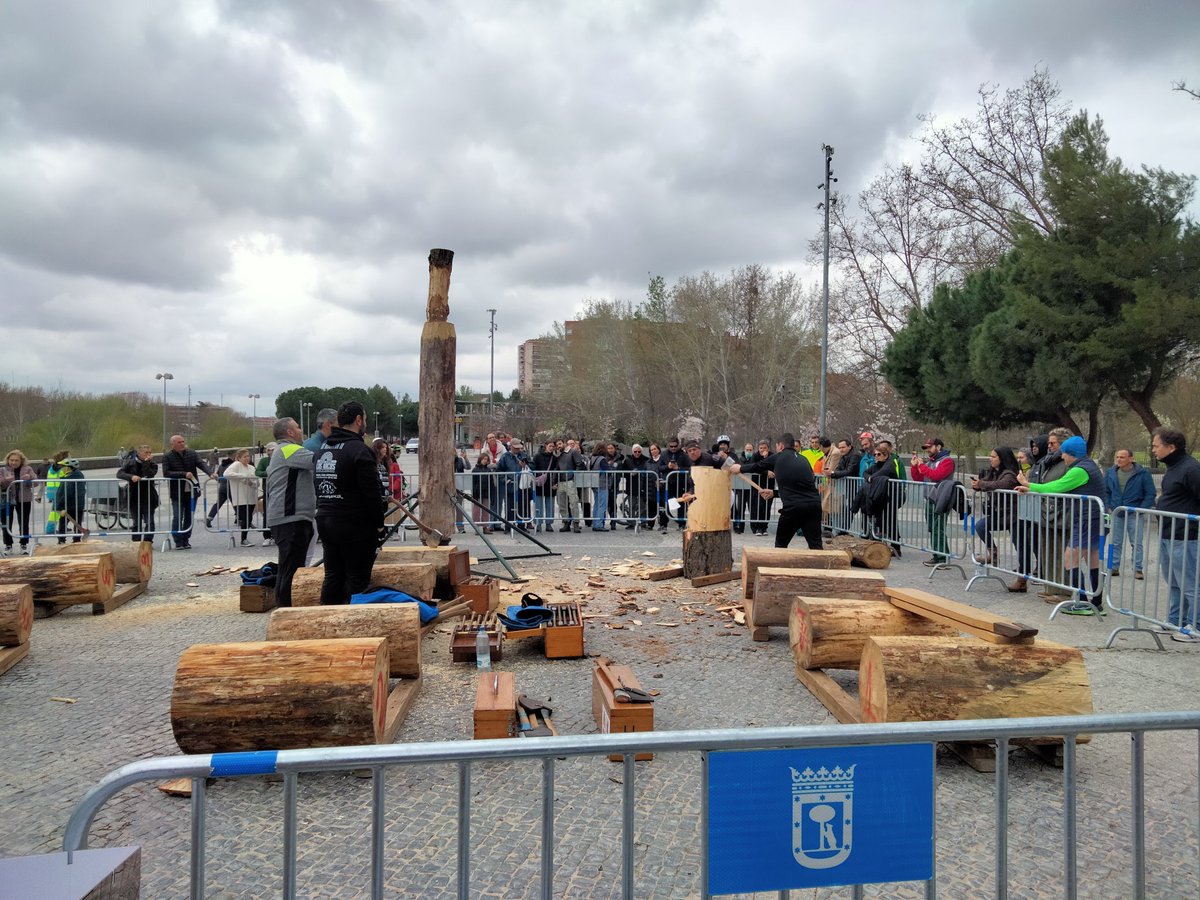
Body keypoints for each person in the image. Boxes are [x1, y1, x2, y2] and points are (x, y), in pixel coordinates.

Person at [1018, 435, 1106, 615]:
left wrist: (1029, 485)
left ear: (1071, 453)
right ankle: (1096, 603)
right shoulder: (1088, 465)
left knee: (1070, 559)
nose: (1063, 457)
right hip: (1093, 518)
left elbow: (1056, 487)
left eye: (1064, 453)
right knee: (1092, 560)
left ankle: (1082, 603)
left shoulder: (1079, 470)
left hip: (1086, 519)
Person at [314, 401, 385, 605]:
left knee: (333, 576)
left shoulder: (323, 449)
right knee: (358, 580)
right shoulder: (359, 450)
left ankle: (325, 620)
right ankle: (354, 626)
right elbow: (372, 493)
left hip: (326, 518)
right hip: (354, 524)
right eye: (365, 420)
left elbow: (317, 485)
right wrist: (379, 524)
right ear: (358, 420)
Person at [730, 432, 823, 550]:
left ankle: (778, 567)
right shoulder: (804, 460)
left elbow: (758, 466)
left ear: (780, 446)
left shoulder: (779, 456)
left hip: (793, 508)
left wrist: (740, 468)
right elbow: (802, 488)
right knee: (816, 546)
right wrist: (774, 493)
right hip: (814, 506)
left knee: (781, 545)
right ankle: (823, 567)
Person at [1150, 427, 1200, 640]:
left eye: (1156, 446)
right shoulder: (1173, 467)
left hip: (1185, 535)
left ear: (1171, 447)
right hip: (1168, 533)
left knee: (1190, 582)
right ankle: (1175, 620)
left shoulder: (1191, 469)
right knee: (1174, 582)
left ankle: (1195, 625)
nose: (1153, 450)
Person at [266, 418, 316, 608]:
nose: (301, 430)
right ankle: (285, 609)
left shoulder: (283, 450)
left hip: (290, 517)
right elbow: (318, 460)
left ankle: (284, 606)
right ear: (289, 433)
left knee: (289, 566)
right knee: (291, 569)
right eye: (297, 427)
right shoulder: (289, 449)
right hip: (290, 517)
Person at [1031, 428, 1072, 598]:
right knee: (1047, 551)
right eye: (1048, 443)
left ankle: (1063, 591)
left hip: (1063, 513)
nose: (1049, 446)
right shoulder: (1046, 462)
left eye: (1053, 443)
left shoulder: (1068, 463)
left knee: (1061, 553)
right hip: (1046, 512)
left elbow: (1061, 486)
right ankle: (1051, 587)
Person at [1104, 448, 1156, 579]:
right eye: (1117, 457)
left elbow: (1150, 493)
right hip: (1116, 512)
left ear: (1131, 459)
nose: (1119, 460)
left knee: (1136, 542)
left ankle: (1138, 569)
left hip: (1135, 513)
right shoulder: (1111, 473)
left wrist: (1141, 509)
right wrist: (1109, 506)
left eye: (1122, 457)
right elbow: (1106, 491)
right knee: (1115, 542)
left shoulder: (1143, 474)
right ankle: (1114, 567)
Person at [1008, 435, 1049, 593]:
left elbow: (1044, 486)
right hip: (1028, 508)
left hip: (1042, 510)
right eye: (1032, 445)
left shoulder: (1045, 464)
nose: (1034, 448)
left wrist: (1028, 485)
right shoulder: (1036, 465)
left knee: (1037, 541)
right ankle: (1023, 576)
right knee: (1022, 540)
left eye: (1037, 445)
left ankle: (1041, 572)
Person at [970, 447, 1020, 566]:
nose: (990, 459)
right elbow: (986, 482)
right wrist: (977, 485)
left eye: (993, 457)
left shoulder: (1010, 473)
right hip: (1000, 513)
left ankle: (1032, 568)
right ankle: (993, 554)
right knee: (981, 526)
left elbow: (1001, 484)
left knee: (1020, 543)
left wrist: (981, 484)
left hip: (1013, 514)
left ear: (1001, 458)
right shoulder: (994, 472)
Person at [910, 437, 955, 566]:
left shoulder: (947, 461)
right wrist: (915, 467)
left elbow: (936, 476)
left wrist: (922, 465)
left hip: (941, 499)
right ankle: (937, 555)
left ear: (938, 447)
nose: (928, 450)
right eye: (927, 448)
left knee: (938, 529)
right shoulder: (931, 462)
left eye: (930, 447)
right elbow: (919, 478)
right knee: (933, 529)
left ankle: (942, 558)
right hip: (930, 498)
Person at [162, 435, 213, 550]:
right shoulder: (167, 457)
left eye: (183, 441)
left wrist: (210, 473)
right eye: (179, 442)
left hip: (192, 492)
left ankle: (186, 539)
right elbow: (166, 473)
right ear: (173, 444)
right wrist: (183, 474)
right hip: (177, 493)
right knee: (178, 516)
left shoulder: (191, 453)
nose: (182, 444)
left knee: (189, 517)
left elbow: (201, 464)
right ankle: (178, 540)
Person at [115, 445, 159, 542]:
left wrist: (146, 462)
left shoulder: (153, 464)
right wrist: (131, 477)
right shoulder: (130, 463)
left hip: (148, 496)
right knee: (136, 522)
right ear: (139, 454)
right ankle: (136, 541)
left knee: (149, 521)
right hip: (134, 496)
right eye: (146, 453)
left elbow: (149, 474)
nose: (148, 455)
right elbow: (119, 473)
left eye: (150, 453)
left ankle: (148, 541)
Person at [0, 451, 36, 556]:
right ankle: (8, 545)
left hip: (24, 500)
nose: (14, 462)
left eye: (16, 460)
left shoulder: (28, 469)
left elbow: (36, 483)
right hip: (6, 500)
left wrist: (29, 479)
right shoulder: (2, 470)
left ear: (21, 461)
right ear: (8, 460)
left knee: (24, 522)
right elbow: (1, 483)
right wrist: (8, 480)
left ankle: (23, 545)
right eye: (11, 460)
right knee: (6, 523)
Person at [550, 437, 587, 533]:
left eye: (560, 444)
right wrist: (554, 481)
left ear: (564, 443)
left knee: (573, 502)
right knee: (561, 503)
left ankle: (576, 523)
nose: (558, 446)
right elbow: (557, 469)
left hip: (570, 481)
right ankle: (566, 522)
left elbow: (580, 464)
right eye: (557, 445)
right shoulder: (559, 455)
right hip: (561, 481)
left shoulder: (573, 452)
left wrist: (574, 476)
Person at [223, 449, 260, 546]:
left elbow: (257, 482)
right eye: (245, 456)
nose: (247, 458)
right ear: (239, 458)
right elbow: (227, 474)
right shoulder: (236, 465)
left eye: (248, 456)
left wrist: (251, 482)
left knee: (249, 518)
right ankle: (243, 539)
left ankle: (245, 538)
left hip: (250, 496)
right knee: (245, 518)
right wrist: (243, 477)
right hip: (240, 497)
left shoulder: (252, 467)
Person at [53, 458, 87, 544]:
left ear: (69, 467)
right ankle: (76, 541)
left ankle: (62, 540)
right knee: (77, 524)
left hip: (70, 505)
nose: (61, 468)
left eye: (63, 467)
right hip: (76, 505)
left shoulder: (71, 478)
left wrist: (60, 506)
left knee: (63, 524)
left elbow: (67, 493)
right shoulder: (72, 476)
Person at [660, 437, 691, 530]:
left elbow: (690, 468)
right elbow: (660, 467)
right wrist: (668, 467)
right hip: (668, 483)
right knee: (665, 503)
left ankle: (681, 524)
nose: (673, 448)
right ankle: (663, 524)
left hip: (680, 483)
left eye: (675, 446)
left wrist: (678, 468)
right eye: (671, 446)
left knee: (681, 504)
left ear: (678, 445)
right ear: (668, 445)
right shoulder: (664, 454)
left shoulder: (684, 455)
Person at [205, 451, 235, 527]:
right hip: (231, 486)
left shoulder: (221, 465)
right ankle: (240, 519)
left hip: (222, 486)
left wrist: (221, 481)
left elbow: (217, 476)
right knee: (236, 503)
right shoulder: (233, 465)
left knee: (218, 504)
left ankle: (209, 518)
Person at [531, 440, 556, 532]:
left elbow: (556, 470)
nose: (552, 448)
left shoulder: (554, 458)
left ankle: (549, 523)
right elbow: (533, 467)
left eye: (553, 446)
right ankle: (538, 523)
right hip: (539, 483)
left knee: (550, 505)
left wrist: (555, 483)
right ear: (545, 446)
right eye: (550, 446)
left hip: (550, 484)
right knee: (538, 505)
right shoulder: (537, 456)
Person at [471, 450, 497, 533]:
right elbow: (473, 482)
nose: (485, 461)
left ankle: (485, 527)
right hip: (477, 494)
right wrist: (474, 493)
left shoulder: (488, 470)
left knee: (486, 511)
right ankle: (477, 527)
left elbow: (491, 483)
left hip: (486, 493)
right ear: (480, 459)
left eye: (486, 459)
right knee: (476, 511)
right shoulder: (475, 470)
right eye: (484, 459)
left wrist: (492, 494)